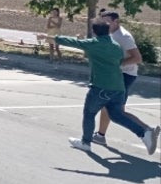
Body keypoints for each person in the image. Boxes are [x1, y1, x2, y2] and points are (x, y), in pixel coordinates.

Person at [40, 20, 159, 154]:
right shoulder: (116, 46)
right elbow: (119, 60)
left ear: (94, 32)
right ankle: (144, 133)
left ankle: (85, 142)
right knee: (116, 115)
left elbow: (72, 42)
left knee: (90, 113)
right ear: (108, 31)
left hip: (101, 87)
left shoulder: (93, 44)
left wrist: (48, 37)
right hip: (118, 87)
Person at [92, 11, 155, 146]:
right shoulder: (110, 33)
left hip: (125, 76)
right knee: (110, 108)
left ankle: (146, 131)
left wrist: (118, 65)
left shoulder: (124, 36)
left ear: (116, 21)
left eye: (107, 22)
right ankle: (100, 135)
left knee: (114, 111)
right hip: (117, 76)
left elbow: (137, 58)